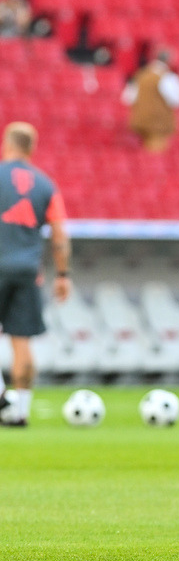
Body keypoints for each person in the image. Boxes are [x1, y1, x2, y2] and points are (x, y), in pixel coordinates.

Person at [0, 123, 71, 427]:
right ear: (32, 148)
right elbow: (59, 236)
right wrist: (63, 274)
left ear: (7, 143)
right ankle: (20, 413)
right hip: (28, 270)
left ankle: (2, 395)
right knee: (22, 340)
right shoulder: (46, 185)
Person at [121, 50, 179, 153]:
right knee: (155, 155)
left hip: (141, 120)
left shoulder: (140, 75)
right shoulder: (167, 77)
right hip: (159, 123)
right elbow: (178, 100)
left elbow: (127, 98)